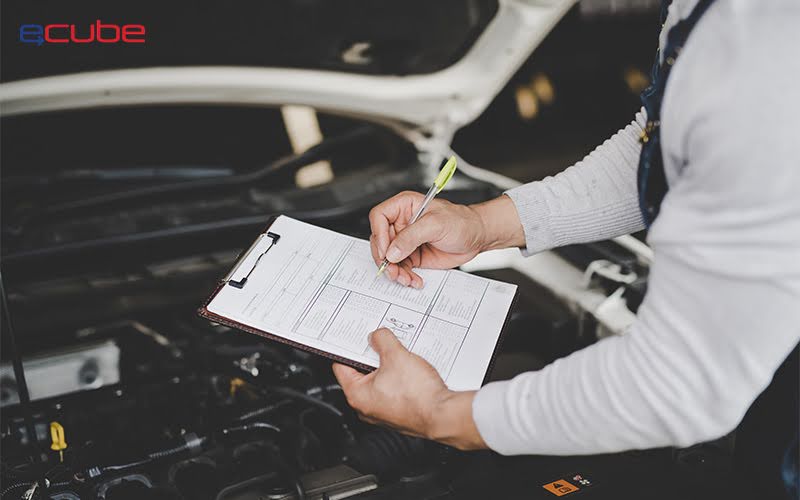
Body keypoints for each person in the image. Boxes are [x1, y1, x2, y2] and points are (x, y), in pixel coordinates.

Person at [332, 0, 799, 495]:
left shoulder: (773, 48)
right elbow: (664, 143)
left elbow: (680, 382)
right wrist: (484, 223)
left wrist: (441, 414)